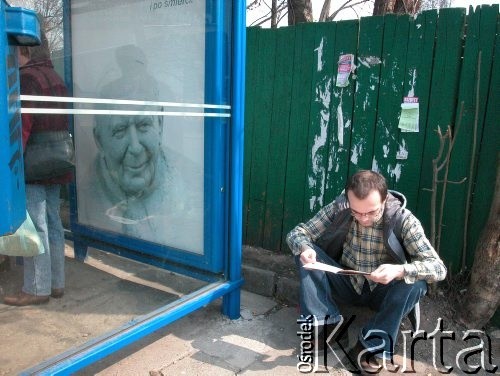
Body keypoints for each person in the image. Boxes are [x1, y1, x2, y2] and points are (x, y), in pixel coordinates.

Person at [287, 170, 447, 372]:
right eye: (357, 212)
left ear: (385, 199)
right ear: (348, 201)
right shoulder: (340, 208)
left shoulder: (403, 219)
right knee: (303, 255)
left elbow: (438, 268)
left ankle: (371, 344)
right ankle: (330, 327)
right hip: (346, 282)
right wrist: (306, 248)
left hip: (383, 289)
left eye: (371, 212)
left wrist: (400, 270)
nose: (363, 218)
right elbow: (297, 233)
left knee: (416, 283)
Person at [78, 45, 202, 252]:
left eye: (144, 125)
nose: (135, 148)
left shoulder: (192, 179)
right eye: (119, 131)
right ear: (99, 140)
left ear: (160, 124)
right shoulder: (88, 192)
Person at [3, 32, 71, 306]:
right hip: (57, 162)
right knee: (54, 224)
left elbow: (23, 126)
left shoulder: (28, 79)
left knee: (36, 226)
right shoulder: (55, 78)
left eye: (13, 53)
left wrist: (11, 160)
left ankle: (36, 288)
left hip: (34, 164)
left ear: (26, 52)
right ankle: (57, 284)